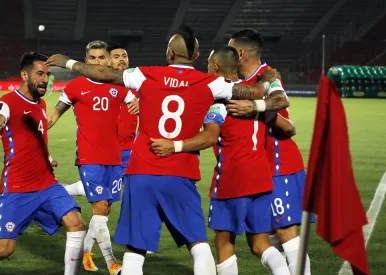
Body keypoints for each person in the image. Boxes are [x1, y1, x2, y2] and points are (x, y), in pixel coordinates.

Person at [45, 26, 284, 275]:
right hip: (181, 172)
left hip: (141, 171)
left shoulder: (147, 75)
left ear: (169, 52)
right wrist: (268, 78)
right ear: (197, 55)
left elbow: (103, 74)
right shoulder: (211, 83)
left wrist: (68, 63)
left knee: (135, 249)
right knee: (198, 245)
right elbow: (255, 92)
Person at [150, 46, 294, 275]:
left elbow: (207, 134)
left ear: (215, 67)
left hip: (232, 178)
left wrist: (174, 144)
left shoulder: (218, 97)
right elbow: (288, 126)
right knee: (260, 244)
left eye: (208, 64)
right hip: (261, 176)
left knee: (224, 244)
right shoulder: (254, 95)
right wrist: (269, 84)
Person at [0, 52, 86, 275]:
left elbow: (35, 139)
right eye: (39, 73)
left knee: (77, 224)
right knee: (3, 250)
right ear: (24, 74)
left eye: (47, 74)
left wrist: (47, 157)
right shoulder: (8, 101)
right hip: (17, 188)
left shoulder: (40, 104)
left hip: (46, 185)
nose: (44, 79)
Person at [47, 40, 138, 275]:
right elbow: (55, 113)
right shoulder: (75, 86)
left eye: (101, 58)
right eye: (93, 58)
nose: (98, 62)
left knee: (105, 209)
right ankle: (111, 263)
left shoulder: (119, 86)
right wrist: (40, 134)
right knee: (99, 208)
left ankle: (85, 254)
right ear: (86, 61)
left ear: (107, 60)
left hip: (115, 157)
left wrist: (140, 106)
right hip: (89, 157)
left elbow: (136, 104)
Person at [227, 29, 312, 274]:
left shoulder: (268, 75)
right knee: (258, 240)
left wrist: (254, 106)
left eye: (230, 48)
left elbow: (282, 102)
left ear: (241, 53)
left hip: (278, 164)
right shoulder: (237, 80)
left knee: (285, 231)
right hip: (255, 168)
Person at [63, 44, 137, 197]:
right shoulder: (100, 84)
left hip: (130, 148)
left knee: (125, 188)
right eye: (116, 57)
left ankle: (70, 190)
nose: (121, 60)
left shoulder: (136, 83)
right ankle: (70, 190)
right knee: (108, 192)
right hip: (107, 149)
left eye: (124, 56)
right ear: (109, 61)